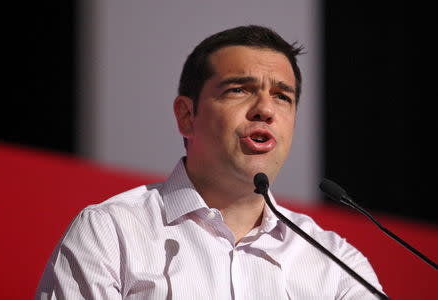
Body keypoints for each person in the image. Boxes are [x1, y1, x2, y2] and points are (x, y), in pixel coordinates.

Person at [36, 25, 384, 299]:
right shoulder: (111, 233)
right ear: (187, 116)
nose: (265, 108)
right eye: (239, 89)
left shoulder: (336, 264)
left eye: (282, 96)